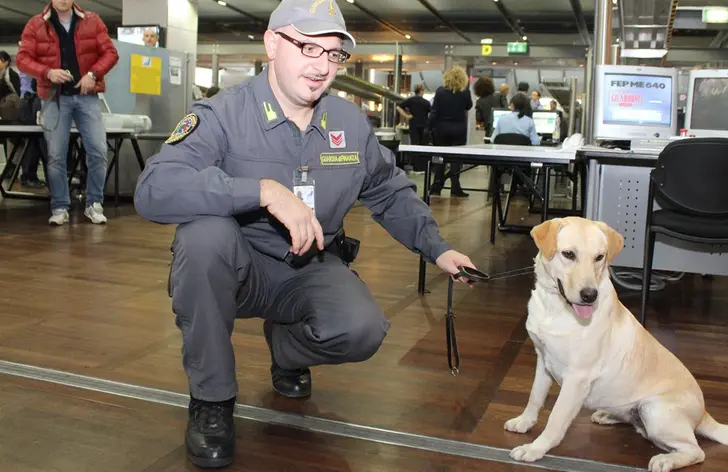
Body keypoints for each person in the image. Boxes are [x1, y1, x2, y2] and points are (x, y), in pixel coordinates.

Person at [133, 0, 476, 467]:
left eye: (333, 54)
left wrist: (439, 248)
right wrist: (262, 191)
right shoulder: (222, 115)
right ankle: (211, 402)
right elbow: (154, 188)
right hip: (238, 267)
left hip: (311, 265)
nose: (321, 67)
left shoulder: (349, 123)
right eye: (308, 48)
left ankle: (288, 350)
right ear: (272, 44)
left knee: (363, 329)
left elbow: (389, 190)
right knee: (204, 237)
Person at [17, 0, 119, 226]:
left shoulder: (92, 21)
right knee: (55, 156)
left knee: (98, 150)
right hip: (54, 99)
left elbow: (111, 53)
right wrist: (47, 72)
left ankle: (94, 204)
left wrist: (93, 75)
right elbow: (22, 59)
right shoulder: (35, 24)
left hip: (87, 97)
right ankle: (60, 206)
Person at [427, 65, 472, 197]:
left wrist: (428, 128)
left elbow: (434, 111)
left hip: (441, 129)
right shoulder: (465, 92)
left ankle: (437, 186)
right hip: (459, 130)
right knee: (456, 160)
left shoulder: (440, 92)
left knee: (440, 159)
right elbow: (468, 106)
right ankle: (455, 187)